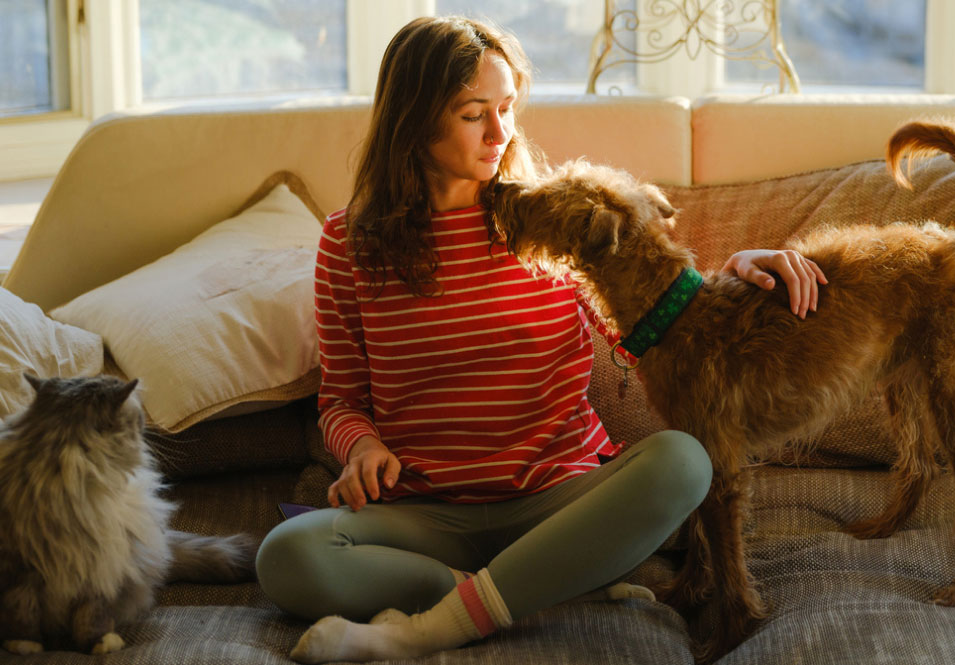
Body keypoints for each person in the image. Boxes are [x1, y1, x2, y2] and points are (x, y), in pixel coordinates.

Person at [254, 16, 827, 663]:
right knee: (286, 556)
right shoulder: (349, 243)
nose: (500, 133)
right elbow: (340, 401)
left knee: (684, 462)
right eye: (476, 114)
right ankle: (534, 587)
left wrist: (740, 269)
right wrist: (361, 446)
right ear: (414, 118)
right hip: (428, 517)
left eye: (507, 109)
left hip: (563, 501)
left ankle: (434, 623)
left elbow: (660, 300)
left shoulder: (553, 219)